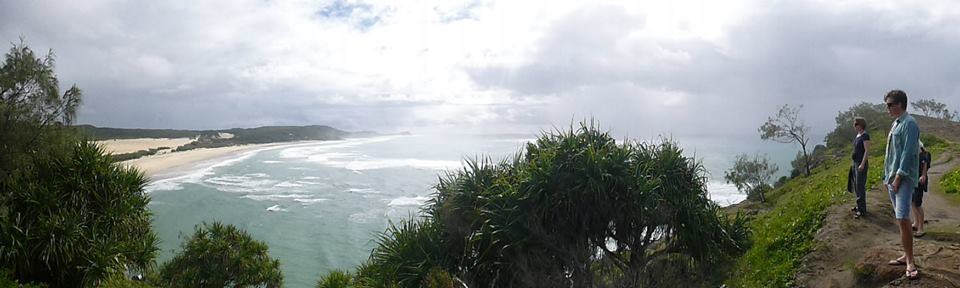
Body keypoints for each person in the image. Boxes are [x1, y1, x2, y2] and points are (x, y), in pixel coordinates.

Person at [882, 89, 921, 280]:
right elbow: (890, 155)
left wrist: (897, 178)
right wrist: (886, 177)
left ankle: (910, 261)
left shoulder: (910, 124)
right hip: (892, 178)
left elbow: (908, 153)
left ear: (900, 104)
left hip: (903, 179)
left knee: (904, 219)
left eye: (890, 104)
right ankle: (906, 254)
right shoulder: (896, 123)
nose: (888, 108)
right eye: (887, 105)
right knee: (901, 220)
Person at [850, 117, 870, 218]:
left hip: (860, 163)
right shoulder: (858, 136)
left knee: (860, 185)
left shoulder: (865, 136)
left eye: (855, 124)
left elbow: (866, 151)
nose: (854, 126)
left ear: (860, 125)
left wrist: (862, 164)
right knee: (856, 186)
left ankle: (862, 210)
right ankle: (859, 205)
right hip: (855, 162)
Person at [912, 143, 931, 237]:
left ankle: (921, 228)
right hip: (913, 180)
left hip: (919, 181)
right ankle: (916, 223)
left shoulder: (922, 154)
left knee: (917, 203)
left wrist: (923, 176)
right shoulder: (914, 152)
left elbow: (924, 165)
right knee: (913, 202)